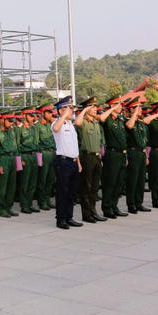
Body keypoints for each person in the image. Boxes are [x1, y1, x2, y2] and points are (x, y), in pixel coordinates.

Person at [51, 96, 83, 230]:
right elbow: (56, 129)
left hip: (73, 162)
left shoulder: (71, 125)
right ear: (60, 111)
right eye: (68, 108)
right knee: (62, 192)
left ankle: (69, 217)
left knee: (72, 193)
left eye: (71, 109)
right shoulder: (56, 123)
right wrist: (63, 115)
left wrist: (78, 162)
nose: (71, 111)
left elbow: (74, 146)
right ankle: (61, 219)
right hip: (63, 162)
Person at [74, 97, 107, 223]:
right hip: (86, 157)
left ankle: (94, 212)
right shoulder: (83, 122)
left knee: (94, 187)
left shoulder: (96, 123)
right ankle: (86, 214)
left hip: (96, 157)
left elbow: (98, 142)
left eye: (95, 107)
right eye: (92, 107)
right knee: (86, 187)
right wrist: (84, 110)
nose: (95, 109)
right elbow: (77, 122)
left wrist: (100, 157)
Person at [99, 97, 128, 219]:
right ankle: (106, 207)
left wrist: (125, 156)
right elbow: (101, 118)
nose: (120, 106)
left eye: (120, 104)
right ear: (111, 106)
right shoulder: (108, 118)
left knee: (119, 182)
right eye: (117, 104)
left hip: (122, 153)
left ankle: (114, 206)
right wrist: (112, 109)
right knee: (110, 182)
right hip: (112, 154)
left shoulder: (121, 119)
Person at [0, 110, 18, 218]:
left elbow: (15, 146)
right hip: (4, 159)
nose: (11, 123)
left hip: (12, 159)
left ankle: (8, 207)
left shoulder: (11, 130)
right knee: (2, 187)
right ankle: (1, 209)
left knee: (12, 186)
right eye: (9, 121)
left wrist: (17, 161)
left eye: (12, 121)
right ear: (3, 120)